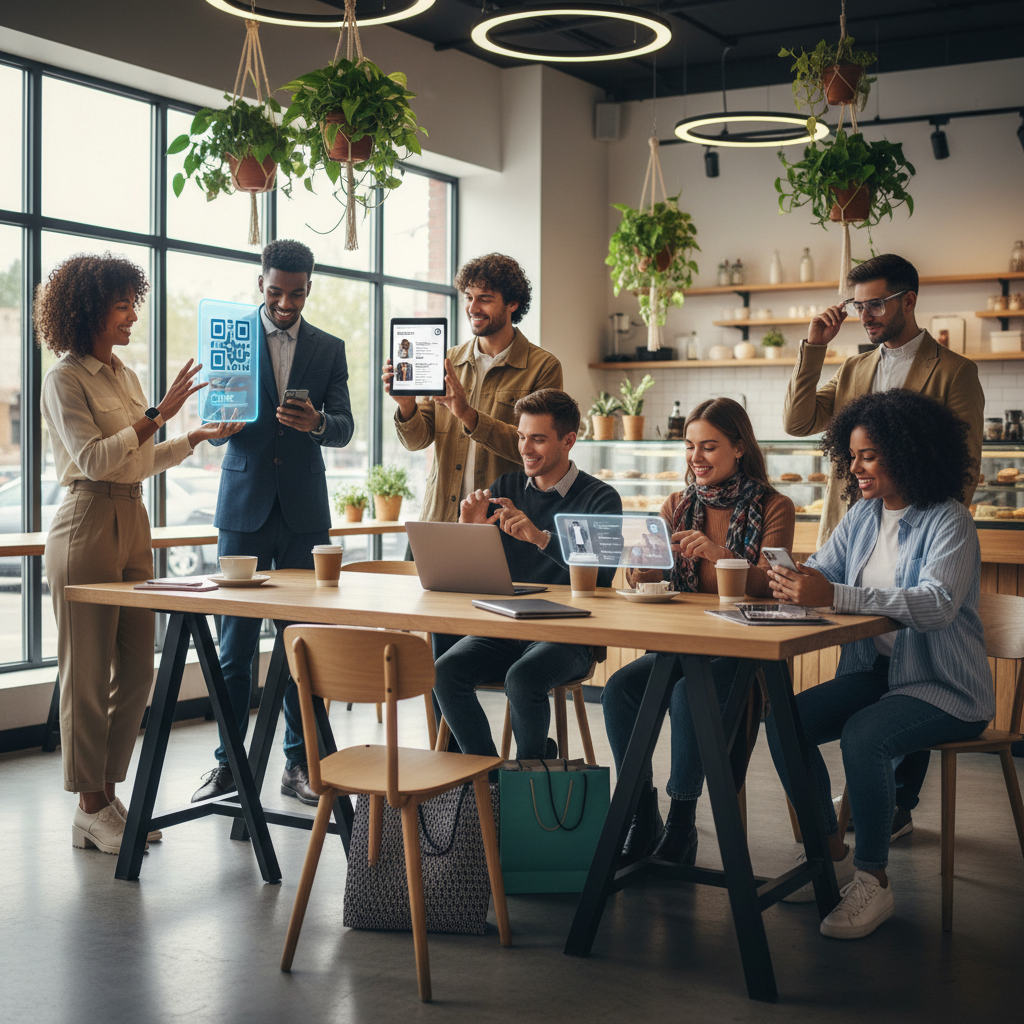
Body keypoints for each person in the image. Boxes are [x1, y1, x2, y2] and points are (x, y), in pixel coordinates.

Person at [765, 390, 992, 939]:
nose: (855, 467)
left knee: (865, 736)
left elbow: (935, 605)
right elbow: (825, 571)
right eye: (851, 455)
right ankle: (827, 852)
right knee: (783, 719)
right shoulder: (864, 516)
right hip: (877, 676)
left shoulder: (949, 521)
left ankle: (873, 880)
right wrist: (794, 580)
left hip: (946, 687)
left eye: (868, 455)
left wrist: (834, 594)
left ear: (909, 453)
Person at [38, 252, 242, 854]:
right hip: (86, 519)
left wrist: (192, 435)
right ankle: (88, 805)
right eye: (122, 303)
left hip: (133, 515)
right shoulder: (64, 379)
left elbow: (140, 459)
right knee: (87, 668)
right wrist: (159, 415)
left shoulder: (124, 376)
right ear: (88, 309)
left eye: (134, 302)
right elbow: (96, 459)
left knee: (137, 667)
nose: (132, 315)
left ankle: (107, 791)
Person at [783, 253, 985, 834]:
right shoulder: (853, 367)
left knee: (903, 676)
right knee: (867, 673)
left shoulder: (953, 369)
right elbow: (800, 422)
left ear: (908, 300)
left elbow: (963, 461)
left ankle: (892, 810)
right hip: (858, 529)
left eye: (875, 302)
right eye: (859, 304)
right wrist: (815, 346)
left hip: (921, 526)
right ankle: (843, 837)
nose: (865, 314)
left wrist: (930, 525)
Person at [191, 239, 354, 805]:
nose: (286, 302)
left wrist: (316, 422)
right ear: (261, 282)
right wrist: (216, 426)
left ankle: (300, 765)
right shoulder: (229, 338)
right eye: (277, 291)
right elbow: (210, 412)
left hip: (305, 517)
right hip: (243, 509)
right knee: (233, 650)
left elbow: (345, 426)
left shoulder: (329, 349)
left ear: (311, 287)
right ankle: (230, 766)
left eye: (297, 292)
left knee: (302, 647)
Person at [602, 398, 795, 866]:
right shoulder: (675, 504)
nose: (696, 458)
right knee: (618, 691)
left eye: (709, 447)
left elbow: (773, 585)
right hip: (682, 647)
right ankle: (642, 811)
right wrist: (642, 568)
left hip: (744, 655)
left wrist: (715, 551)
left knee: (691, 693)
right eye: (690, 447)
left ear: (740, 448)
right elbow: (649, 580)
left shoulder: (775, 506)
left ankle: (682, 823)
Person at [431, 389, 621, 759]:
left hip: (570, 636)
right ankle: (487, 777)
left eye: (537, 438)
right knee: (444, 672)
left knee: (522, 679)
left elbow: (600, 579)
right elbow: (478, 578)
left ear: (569, 440)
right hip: (506, 629)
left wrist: (540, 538)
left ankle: (530, 775)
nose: (525, 448)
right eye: (521, 436)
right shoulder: (504, 488)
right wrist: (470, 532)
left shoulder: (601, 499)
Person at [384, 253, 562, 525]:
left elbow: (539, 450)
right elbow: (416, 441)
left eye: (485, 299)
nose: (473, 307)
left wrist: (467, 414)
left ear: (513, 303)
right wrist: (406, 405)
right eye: (468, 297)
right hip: (441, 518)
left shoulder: (543, 367)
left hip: (504, 522)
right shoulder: (447, 361)